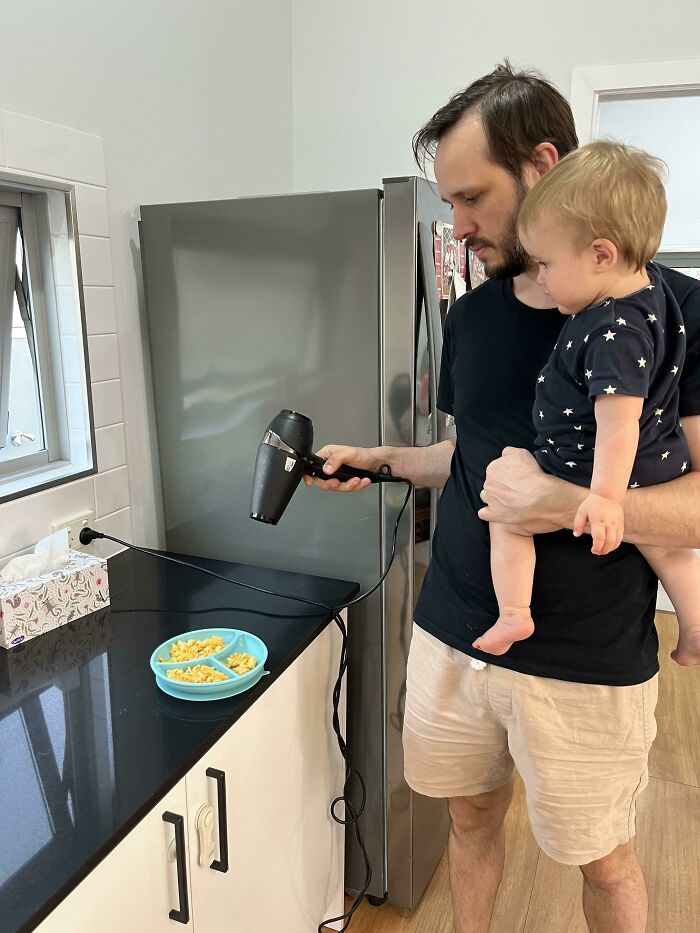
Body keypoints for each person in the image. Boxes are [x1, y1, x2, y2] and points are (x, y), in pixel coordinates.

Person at [304, 62, 700, 933]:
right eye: (447, 203)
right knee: (470, 818)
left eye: (473, 198)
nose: (458, 225)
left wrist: (562, 502)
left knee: (606, 859)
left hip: (586, 659)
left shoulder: (674, 313)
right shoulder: (475, 316)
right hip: (453, 632)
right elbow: (475, 454)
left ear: (542, 163)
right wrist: (378, 459)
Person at [473, 140, 700, 663]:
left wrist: (601, 499)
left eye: (547, 263)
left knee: (507, 517)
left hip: (584, 467)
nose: (543, 278)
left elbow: (619, 421)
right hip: (658, 459)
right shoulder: (654, 296)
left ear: (601, 254)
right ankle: (693, 624)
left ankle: (514, 613)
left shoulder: (614, 328)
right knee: (667, 550)